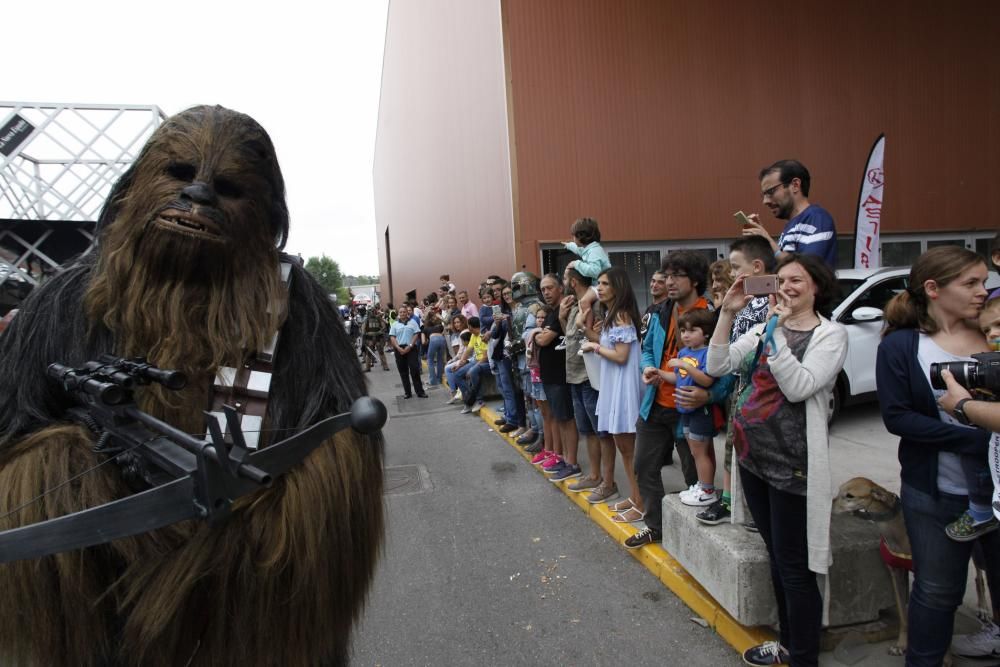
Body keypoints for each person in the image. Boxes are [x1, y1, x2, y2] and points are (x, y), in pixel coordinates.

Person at [708, 253, 846, 666]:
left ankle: (803, 655)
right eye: (780, 280)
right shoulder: (769, 328)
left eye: (796, 281)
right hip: (754, 461)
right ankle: (788, 644)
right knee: (776, 555)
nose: (785, 287)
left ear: (816, 286)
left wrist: (776, 333)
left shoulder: (830, 335)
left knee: (796, 567)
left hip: (794, 469)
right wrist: (728, 314)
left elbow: (800, 386)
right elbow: (717, 364)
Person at [877, 246, 1000, 666]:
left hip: (999, 498)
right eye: (971, 283)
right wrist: (975, 441)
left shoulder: (994, 331)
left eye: (985, 281)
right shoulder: (902, 347)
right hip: (935, 495)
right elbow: (897, 418)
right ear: (933, 289)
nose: (983, 291)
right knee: (935, 592)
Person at [627, 250, 716, 549]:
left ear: (694, 280)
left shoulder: (711, 314)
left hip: (690, 408)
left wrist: (709, 394)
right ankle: (655, 525)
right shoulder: (660, 311)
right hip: (655, 403)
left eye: (677, 275)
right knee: (643, 466)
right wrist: (647, 367)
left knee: (696, 476)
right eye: (667, 275)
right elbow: (647, 349)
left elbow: (724, 365)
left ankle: (697, 538)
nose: (669, 281)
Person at [698, 236, 774, 527]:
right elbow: (723, 353)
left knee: (755, 454)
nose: (730, 273)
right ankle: (732, 501)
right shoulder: (744, 300)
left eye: (735, 266)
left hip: (764, 392)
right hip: (740, 384)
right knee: (733, 447)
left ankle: (753, 510)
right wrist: (727, 309)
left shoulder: (772, 304)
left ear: (756, 267)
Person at [580, 267, 644, 519]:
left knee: (628, 449)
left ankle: (641, 504)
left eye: (605, 283)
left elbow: (620, 355)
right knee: (625, 449)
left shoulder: (621, 315)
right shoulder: (613, 315)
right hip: (614, 385)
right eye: (599, 283)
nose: (600, 288)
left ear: (618, 286)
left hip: (622, 387)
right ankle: (635, 497)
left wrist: (595, 347)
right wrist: (589, 331)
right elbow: (611, 344)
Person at [559, 266, 616, 495]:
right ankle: (594, 475)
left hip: (591, 377)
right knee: (588, 431)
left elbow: (598, 339)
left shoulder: (593, 306)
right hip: (574, 376)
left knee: (602, 431)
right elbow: (571, 337)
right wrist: (563, 317)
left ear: (573, 281)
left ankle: (608, 482)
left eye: (564, 278)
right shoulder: (575, 305)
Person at [659, 308, 719, 508]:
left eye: (692, 330)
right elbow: (678, 378)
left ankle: (708, 490)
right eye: (683, 330)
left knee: (700, 452)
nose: (686, 335)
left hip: (700, 410)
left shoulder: (708, 353)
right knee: (695, 452)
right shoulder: (684, 352)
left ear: (707, 333)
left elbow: (707, 380)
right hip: (684, 409)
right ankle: (701, 486)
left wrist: (686, 366)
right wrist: (659, 374)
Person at [740, 159, 838, 270]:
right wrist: (763, 241)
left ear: (795, 185)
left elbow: (807, 269)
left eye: (770, 192)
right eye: (763, 195)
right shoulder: (793, 225)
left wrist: (769, 241)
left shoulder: (816, 218)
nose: (765, 201)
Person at [529, 275, 578, 475]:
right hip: (548, 376)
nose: (546, 292)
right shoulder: (551, 313)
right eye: (543, 289)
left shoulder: (562, 311)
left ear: (560, 288)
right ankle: (564, 458)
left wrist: (538, 334)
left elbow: (543, 339)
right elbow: (541, 336)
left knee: (566, 419)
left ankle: (571, 463)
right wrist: (539, 334)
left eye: (550, 288)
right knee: (558, 418)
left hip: (560, 376)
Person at [562, 217, 611, 323]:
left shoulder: (594, 251)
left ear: (581, 236)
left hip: (604, 286)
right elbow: (579, 250)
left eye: (574, 236)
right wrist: (569, 246)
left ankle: (587, 329)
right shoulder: (591, 249)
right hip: (599, 285)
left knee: (584, 301)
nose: (573, 238)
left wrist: (577, 264)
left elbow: (595, 271)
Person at [453, 316, 490, 414]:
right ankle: (469, 400)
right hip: (476, 361)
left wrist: (474, 366)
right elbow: (468, 351)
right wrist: (459, 364)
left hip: (485, 362)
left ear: (470, 327)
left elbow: (485, 357)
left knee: (473, 371)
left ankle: (479, 400)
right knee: (457, 374)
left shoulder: (483, 335)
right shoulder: (473, 335)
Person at [389, 304, 427, 399]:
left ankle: (420, 392)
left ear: (407, 313)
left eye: (404, 312)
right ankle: (407, 393)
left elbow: (416, 334)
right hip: (399, 349)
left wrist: (410, 346)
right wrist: (398, 348)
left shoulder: (413, 322)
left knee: (415, 370)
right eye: (400, 312)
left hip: (411, 349)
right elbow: (392, 337)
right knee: (403, 372)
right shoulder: (394, 324)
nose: (402, 314)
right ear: (398, 313)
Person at [639, 270, 667, 342]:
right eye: (653, 281)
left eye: (660, 282)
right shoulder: (650, 308)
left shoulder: (666, 309)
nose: (654, 285)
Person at [361, 303, 390, 372]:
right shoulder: (367, 320)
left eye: (373, 311)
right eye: (371, 311)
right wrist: (365, 338)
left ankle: (385, 366)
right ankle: (368, 367)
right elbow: (363, 330)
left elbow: (384, 327)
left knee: (381, 352)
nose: (373, 313)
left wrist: (379, 332)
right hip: (370, 338)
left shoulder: (378, 318)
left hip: (378, 338)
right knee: (369, 353)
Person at [423, 308, 447, 386]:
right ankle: (439, 379)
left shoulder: (425, 329)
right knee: (440, 359)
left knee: (430, 360)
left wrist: (428, 341)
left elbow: (423, 342)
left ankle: (433, 381)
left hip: (433, 340)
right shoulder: (439, 326)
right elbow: (445, 331)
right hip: (442, 339)